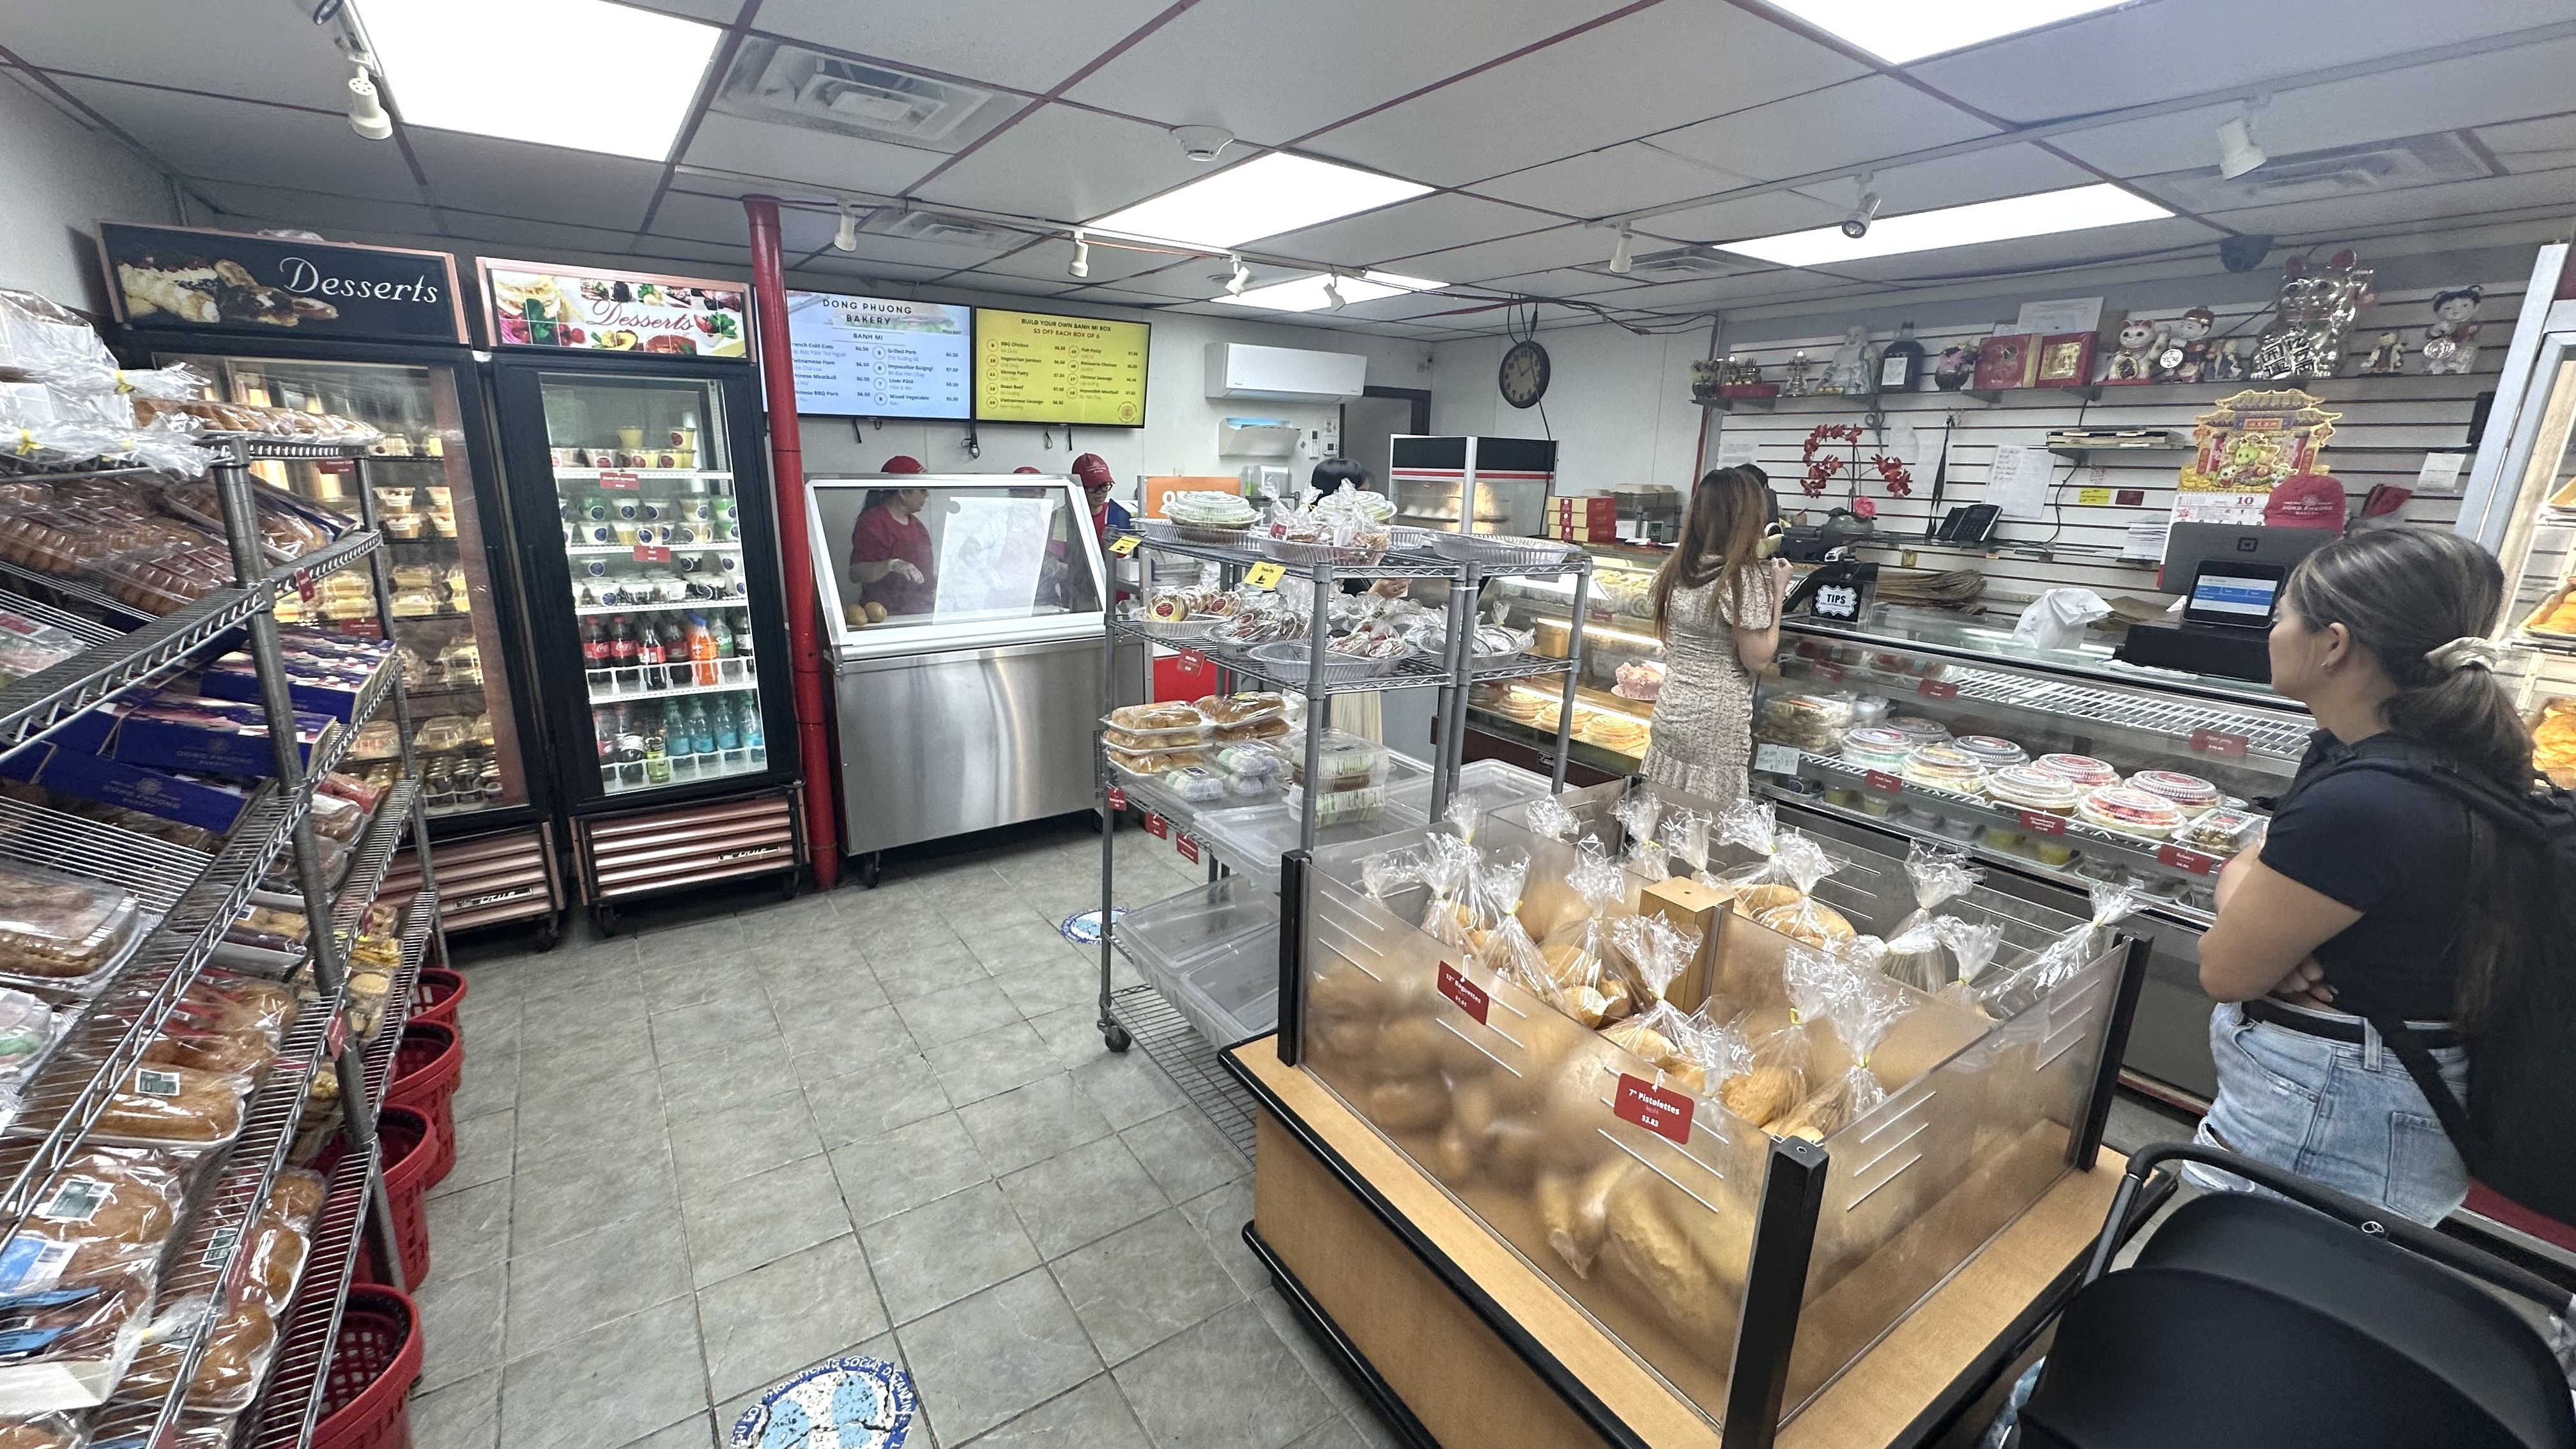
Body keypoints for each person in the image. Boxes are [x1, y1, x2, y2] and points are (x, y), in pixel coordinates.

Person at [2193, 526, 2536, 1225]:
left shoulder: (2362, 800)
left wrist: (2251, 907)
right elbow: (2259, 864)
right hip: (2379, 1094)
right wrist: (2251, 890)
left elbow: (2226, 971)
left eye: (2284, 612)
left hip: (2330, 1115)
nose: (2272, 628)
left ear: (2335, 643)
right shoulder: (2406, 757)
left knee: (2243, 1297)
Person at [1640, 466, 1789, 805]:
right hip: (1715, 725)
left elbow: (1668, 636)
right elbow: (1758, 659)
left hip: (1672, 712)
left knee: (1662, 816)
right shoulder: (1739, 578)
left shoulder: (1674, 568)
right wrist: (1777, 594)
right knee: (1705, 827)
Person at [848, 457, 935, 617]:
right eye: (922, 489)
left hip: (922, 612)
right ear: (902, 492)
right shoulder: (873, 522)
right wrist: (891, 565)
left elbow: (925, 575)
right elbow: (856, 573)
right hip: (888, 616)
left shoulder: (917, 526)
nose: (927, 495)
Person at [1070, 452, 1130, 539]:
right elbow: (1056, 551)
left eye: (1104, 486)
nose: (1100, 492)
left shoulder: (1119, 515)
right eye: (1093, 487)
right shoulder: (1064, 517)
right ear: (1078, 486)